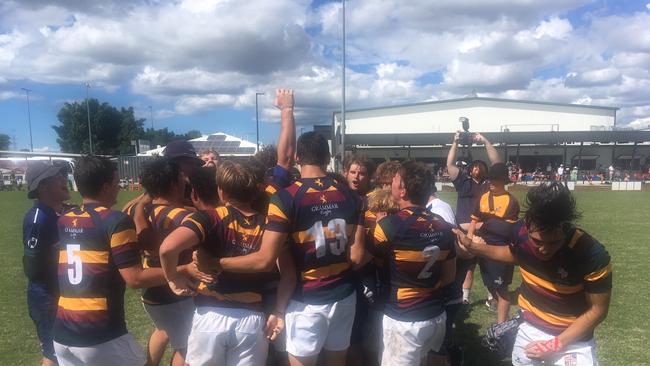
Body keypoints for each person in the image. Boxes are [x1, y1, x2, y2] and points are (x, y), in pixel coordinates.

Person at [195, 132, 365, 366]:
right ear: (327, 157)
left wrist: (214, 263)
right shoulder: (351, 196)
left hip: (306, 300)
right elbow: (357, 256)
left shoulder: (286, 198)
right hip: (344, 294)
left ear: (297, 157)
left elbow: (265, 260)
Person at [52, 156, 195, 366]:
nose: (119, 188)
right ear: (106, 186)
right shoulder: (115, 221)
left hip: (63, 331)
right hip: (99, 333)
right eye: (117, 183)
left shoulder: (65, 219)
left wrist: (139, 209)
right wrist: (185, 269)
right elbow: (135, 278)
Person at [455, 182, 612, 365]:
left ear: (566, 228)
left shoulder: (590, 253)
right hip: (529, 329)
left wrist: (554, 345)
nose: (544, 249)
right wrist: (473, 247)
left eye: (554, 243)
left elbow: (598, 310)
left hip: (572, 339)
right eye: (537, 242)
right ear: (527, 226)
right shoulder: (519, 232)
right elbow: (514, 254)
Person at [160, 160, 296, 366]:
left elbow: (167, 248)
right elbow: (289, 274)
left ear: (221, 192)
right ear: (253, 192)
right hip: (251, 320)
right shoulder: (270, 226)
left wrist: (172, 277)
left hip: (210, 316)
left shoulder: (210, 217)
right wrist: (278, 311)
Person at [368, 161, 456, 365]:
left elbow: (365, 260)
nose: (391, 183)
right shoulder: (444, 226)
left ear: (403, 190)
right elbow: (449, 276)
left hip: (404, 319)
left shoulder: (388, 226)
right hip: (435, 315)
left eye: (395, 179)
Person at [137, 157, 204, 366]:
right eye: (181, 177)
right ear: (174, 184)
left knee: (164, 330)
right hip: (176, 293)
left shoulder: (139, 210)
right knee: (187, 347)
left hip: (151, 293)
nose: (185, 181)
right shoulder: (183, 217)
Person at [23, 161, 72, 366]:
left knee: (67, 350)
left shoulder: (63, 212)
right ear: (43, 186)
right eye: (57, 177)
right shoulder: (38, 219)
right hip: (47, 297)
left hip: (64, 292)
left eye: (63, 174)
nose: (64, 179)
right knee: (53, 355)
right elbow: (33, 267)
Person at [446, 131, 501, 305]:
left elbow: (497, 163)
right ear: (470, 169)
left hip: (485, 233)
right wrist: (455, 142)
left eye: (480, 166)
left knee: (488, 267)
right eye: (474, 166)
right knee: (466, 268)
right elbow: (450, 164)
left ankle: (491, 297)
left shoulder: (489, 185)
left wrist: (485, 140)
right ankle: (463, 297)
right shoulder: (463, 181)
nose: (477, 168)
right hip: (464, 233)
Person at [467, 163, 520, 324]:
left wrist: (485, 225)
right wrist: (470, 237)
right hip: (482, 248)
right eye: (489, 179)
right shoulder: (483, 197)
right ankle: (502, 315)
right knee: (489, 284)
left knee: (502, 290)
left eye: (495, 180)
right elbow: (473, 220)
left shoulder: (511, 202)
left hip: (500, 251)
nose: (490, 182)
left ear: (503, 181)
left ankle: (501, 326)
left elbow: (506, 229)